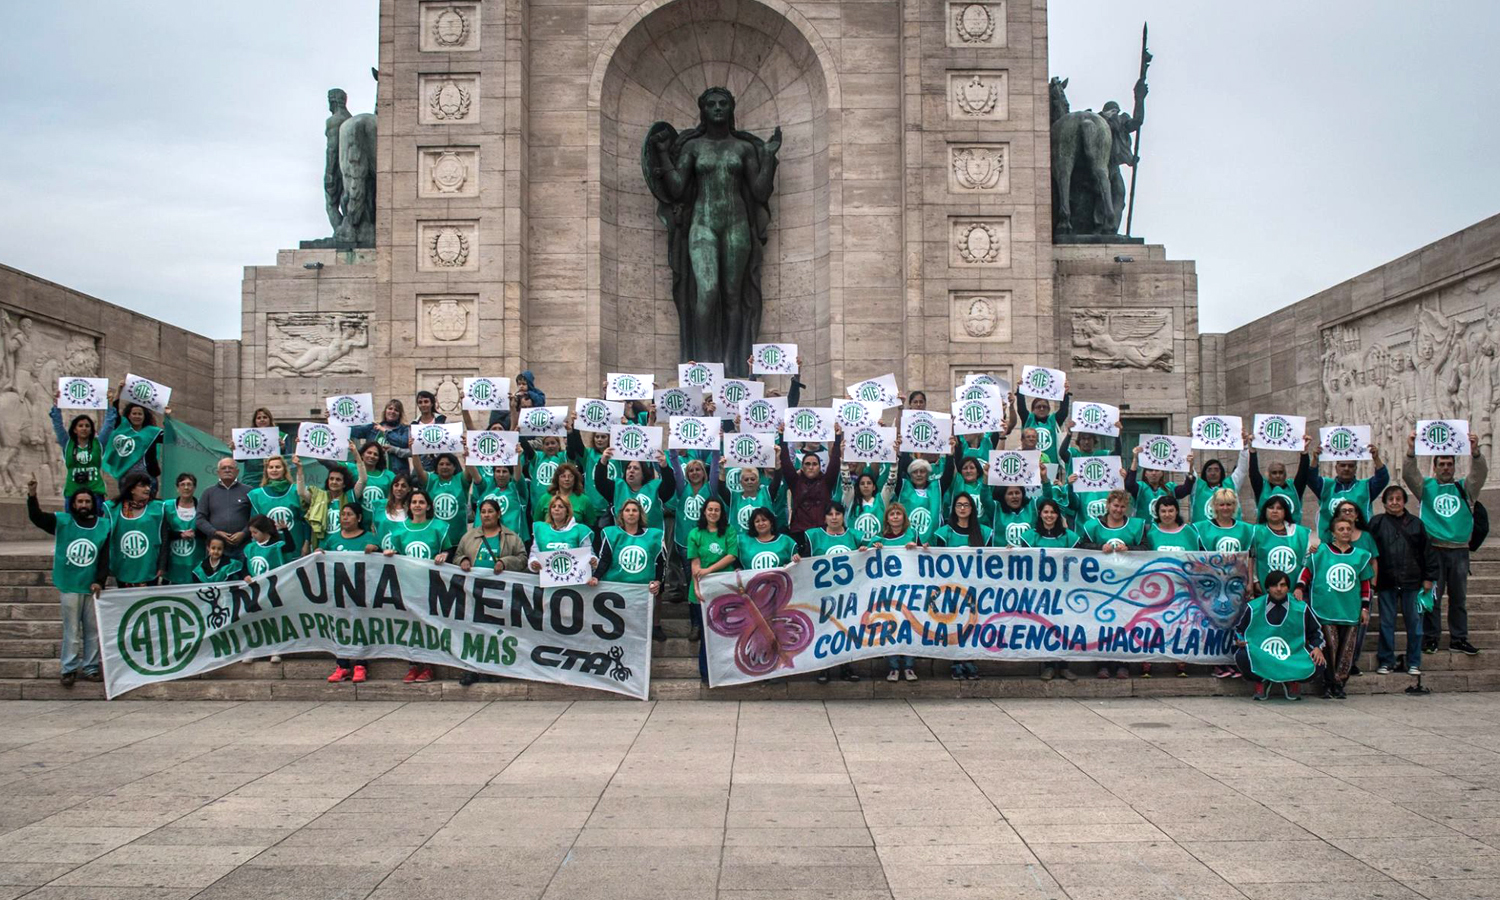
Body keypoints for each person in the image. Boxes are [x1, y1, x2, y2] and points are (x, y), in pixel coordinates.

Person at [1402, 432, 1487, 655]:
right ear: (1435, 466)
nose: (1446, 468)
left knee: (1459, 598)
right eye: (1442, 464)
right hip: (1434, 550)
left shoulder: (1464, 488)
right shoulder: (1427, 488)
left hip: (1459, 551)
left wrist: (1475, 452)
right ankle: (1431, 638)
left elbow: (1480, 474)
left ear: (1454, 466)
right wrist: (1411, 450)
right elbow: (1410, 475)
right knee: (1433, 597)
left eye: (1450, 464)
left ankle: (1459, 638)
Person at [27, 477, 108, 686]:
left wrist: (100, 580)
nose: (83, 505)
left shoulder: (103, 526)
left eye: (87, 502)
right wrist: (32, 495)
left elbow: (104, 557)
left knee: (92, 631)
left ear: (93, 504)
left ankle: (90, 667)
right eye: (80, 501)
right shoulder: (62, 522)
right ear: (73, 504)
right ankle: (69, 668)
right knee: (71, 630)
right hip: (69, 584)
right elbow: (36, 517)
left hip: (91, 587)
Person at [1295, 517, 1373, 699]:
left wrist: (1365, 608)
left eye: (1348, 528)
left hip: (1350, 610)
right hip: (1326, 610)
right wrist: (1300, 587)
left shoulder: (1360, 556)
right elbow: (1307, 571)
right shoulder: (1320, 551)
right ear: (1333, 533)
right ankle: (1327, 683)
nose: (1345, 532)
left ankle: (1339, 684)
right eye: (1341, 529)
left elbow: (1365, 584)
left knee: (1346, 651)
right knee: (1330, 647)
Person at [1368, 485, 1435, 675]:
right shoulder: (1377, 523)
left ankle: (1414, 661)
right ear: (1384, 502)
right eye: (1390, 499)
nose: (1394, 503)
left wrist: (1429, 578)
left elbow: (1427, 552)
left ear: (1404, 501)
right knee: (1386, 623)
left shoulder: (1416, 523)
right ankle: (1386, 661)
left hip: (1412, 581)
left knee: (1414, 624)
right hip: (1386, 580)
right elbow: (1368, 548)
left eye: (1398, 499)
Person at [1233, 570, 1326, 701]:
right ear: (1267, 588)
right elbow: (1239, 630)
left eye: (1283, 585)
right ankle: (1262, 680)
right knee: (1242, 655)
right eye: (1274, 585)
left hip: (1292, 655)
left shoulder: (1301, 608)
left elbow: (1316, 631)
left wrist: (1317, 647)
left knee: (1318, 662)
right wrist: (1239, 640)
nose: (1278, 589)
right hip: (1263, 656)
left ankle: (1292, 680)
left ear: (1288, 587)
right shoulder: (1253, 607)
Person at [1080, 488, 1142, 681]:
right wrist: (1099, 548)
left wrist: (1130, 548)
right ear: (1108, 505)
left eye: (1123, 506)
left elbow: (1147, 548)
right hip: (1100, 585)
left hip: (1126, 585)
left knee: (1126, 624)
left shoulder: (1135, 526)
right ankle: (1103, 663)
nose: (1118, 509)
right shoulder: (1093, 526)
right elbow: (1080, 547)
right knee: (1102, 625)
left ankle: (1123, 664)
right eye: (1115, 505)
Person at [932, 492, 989, 680]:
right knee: (955, 624)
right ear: (954, 509)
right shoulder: (944, 532)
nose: (962, 508)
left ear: (972, 509)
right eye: (959, 505)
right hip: (951, 588)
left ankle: (970, 660)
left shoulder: (984, 532)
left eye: (966, 505)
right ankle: (956, 662)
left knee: (973, 624)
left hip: (974, 587)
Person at [318, 501, 374, 684]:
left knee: (360, 628)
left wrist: (375, 550)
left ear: (359, 518)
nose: (345, 518)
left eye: (349, 514)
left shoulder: (370, 538)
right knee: (339, 628)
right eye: (343, 515)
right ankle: (342, 665)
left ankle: (360, 664)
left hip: (361, 592)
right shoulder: (332, 539)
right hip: (338, 593)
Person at [595, 498, 666, 639]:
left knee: (639, 632)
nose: (631, 513)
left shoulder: (654, 536)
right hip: (616, 590)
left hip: (641, 591)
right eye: (627, 510)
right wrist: (596, 576)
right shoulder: (612, 534)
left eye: (634, 510)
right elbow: (605, 560)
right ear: (622, 515)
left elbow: (661, 562)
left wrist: (658, 581)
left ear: (640, 514)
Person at [687, 497, 738, 682]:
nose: (713, 513)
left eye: (717, 510)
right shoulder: (695, 533)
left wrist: (709, 570)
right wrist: (697, 584)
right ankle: (706, 673)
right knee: (707, 635)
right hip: (702, 590)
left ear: (721, 513)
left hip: (724, 589)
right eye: (710, 509)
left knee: (727, 632)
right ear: (704, 511)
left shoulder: (729, 531)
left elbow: (732, 555)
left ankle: (729, 671)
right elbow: (694, 562)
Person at [872, 502, 920, 683]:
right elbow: (864, 553)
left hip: (909, 591)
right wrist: (871, 548)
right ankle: (893, 666)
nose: (895, 517)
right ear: (887, 518)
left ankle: (909, 666)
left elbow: (926, 554)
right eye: (891, 514)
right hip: (888, 592)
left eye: (898, 514)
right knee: (889, 627)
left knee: (909, 626)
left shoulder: (912, 535)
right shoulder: (880, 538)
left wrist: (916, 547)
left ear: (904, 517)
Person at [49, 385, 116, 506]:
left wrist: (110, 404)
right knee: (72, 524)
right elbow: (58, 425)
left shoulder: (98, 443)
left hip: (95, 493)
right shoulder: (67, 443)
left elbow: (109, 424)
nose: (84, 428)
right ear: (74, 429)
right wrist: (56, 403)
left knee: (96, 524)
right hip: (72, 493)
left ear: (91, 430)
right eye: (80, 426)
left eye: (87, 426)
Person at [1308, 441, 1388, 537]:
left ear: (1356, 468)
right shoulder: (1325, 486)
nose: (1346, 468)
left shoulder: (1366, 487)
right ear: (1336, 468)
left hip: (1359, 543)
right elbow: (1310, 478)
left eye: (1351, 466)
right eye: (1342, 465)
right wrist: (1315, 459)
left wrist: (1376, 458)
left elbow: (1382, 479)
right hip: (1331, 544)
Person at [780, 428, 843, 539]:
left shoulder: (826, 482)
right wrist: (782, 436)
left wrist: (837, 438)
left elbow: (834, 462)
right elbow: (785, 461)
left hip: (822, 533)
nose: (811, 467)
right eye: (807, 464)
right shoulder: (795, 482)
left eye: (814, 464)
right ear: (802, 467)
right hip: (799, 532)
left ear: (820, 467)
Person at [104, 473, 165, 587]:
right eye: (143, 485)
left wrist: (162, 565)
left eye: (148, 485)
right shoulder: (113, 509)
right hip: (123, 567)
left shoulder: (158, 508)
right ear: (131, 489)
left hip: (149, 568)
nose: (148, 488)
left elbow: (165, 538)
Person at [102, 393, 163, 493]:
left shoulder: (152, 433)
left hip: (148, 478)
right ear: (128, 415)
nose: (137, 416)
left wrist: (168, 418)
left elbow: (170, 437)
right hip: (127, 478)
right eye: (134, 413)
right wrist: (118, 391)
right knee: (128, 507)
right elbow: (115, 414)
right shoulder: (122, 429)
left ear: (144, 416)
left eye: (140, 414)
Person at [411, 452, 472, 550]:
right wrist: (414, 452)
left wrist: (468, 454)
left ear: (454, 467)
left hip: (457, 539)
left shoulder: (460, 479)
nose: (445, 467)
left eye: (448, 464)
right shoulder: (431, 480)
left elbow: (470, 472)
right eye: (441, 464)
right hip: (434, 538)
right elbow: (419, 470)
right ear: (436, 467)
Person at [250, 456, 309, 555]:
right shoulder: (257, 495)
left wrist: (307, 543)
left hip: (296, 545)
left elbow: (306, 521)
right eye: (271, 467)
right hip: (270, 551)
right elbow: (255, 527)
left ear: (285, 470)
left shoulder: (296, 491)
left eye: (278, 467)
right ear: (266, 471)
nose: (274, 470)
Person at [196, 457, 253, 558]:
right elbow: (200, 519)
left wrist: (244, 533)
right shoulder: (208, 493)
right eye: (224, 468)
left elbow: (255, 518)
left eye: (230, 467)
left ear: (237, 471)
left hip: (243, 546)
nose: (227, 470)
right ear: (218, 472)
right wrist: (215, 533)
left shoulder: (249, 491)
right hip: (217, 548)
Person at [1248, 438, 1312, 522]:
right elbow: (1253, 472)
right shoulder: (1262, 488)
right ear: (1268, 475)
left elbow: (1303, 473)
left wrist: (1304, 452)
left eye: (1280, 472)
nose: (1278, 475)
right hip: (1266, 533)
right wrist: (1252, 451)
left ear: (1285, 474)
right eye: (1274, 473)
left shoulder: (1294, 488)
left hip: (1290, 533)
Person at [1126, 446, 1193, 520]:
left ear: (1162, 473)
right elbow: (1129, 485)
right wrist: (1135, 459)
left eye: (1157, 470)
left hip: (1164, 529)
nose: (1154, 473)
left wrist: (1190, 468)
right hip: (1144, 529)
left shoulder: (1170, 488)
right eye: (1150, 470)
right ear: (1145, 473)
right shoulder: (1141, 487)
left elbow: (1186, 489)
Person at [160, 472, 203, 585]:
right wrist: (179, 535)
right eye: (182, 484)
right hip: (173, 561)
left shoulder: (202, 506)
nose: (186, 487)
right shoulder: (167, 506)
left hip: (195, 559)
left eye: (190, 484)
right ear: (177, 487)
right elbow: (161, 532)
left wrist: (196, 533)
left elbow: (207, 529)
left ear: (194, 487)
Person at [352, 399, 413, 477]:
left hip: (397, 474)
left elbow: (403, 442)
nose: (392, 411)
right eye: (390, 408)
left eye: (396, 410)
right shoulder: (373, 428)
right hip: (374, 473)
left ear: (400, 414)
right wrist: (333, 422)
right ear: (385, 411)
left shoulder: (404, 429)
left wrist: (384, 431)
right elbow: (354, 432)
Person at [1188, 445, 1249, 523]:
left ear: (1221, 472)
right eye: (1209, 470)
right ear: (1204, 473)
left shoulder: (1231, 484)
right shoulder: (1197, 487)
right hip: (1203, 534)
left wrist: (1245, 447)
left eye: (1216, 470)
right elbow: (1188, 470)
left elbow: (1242, 469)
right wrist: (1187, 443)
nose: (1213, 473)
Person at [1014, 384, 1070, 459]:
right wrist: (1020, 390)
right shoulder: (1029, 420)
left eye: (1044, 407)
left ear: (1049, 409)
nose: (1042, 409)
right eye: (1038, 407)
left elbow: (1063, 412)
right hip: (1030, 461)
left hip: (1051, 463)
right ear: (1033, 409)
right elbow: (1021, 409)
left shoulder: (1053, 421)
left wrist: (1065, 394)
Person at [239, 408, 293, 485]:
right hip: (251, 478)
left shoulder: (281, 436)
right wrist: (235, 449)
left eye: (265, 417)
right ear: (255, 421)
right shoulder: (246, 436)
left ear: (270, 419)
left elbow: (287, 458)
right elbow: (240, 460)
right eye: (259, 418)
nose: (262, 420)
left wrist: (282, 448)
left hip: (273, 478)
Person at [844, 467, 894, 545]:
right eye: (862, 483)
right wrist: (844, 466)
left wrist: (894, 467)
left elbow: (890, 483)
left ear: (874, 487)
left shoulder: (881, 500)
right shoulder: (852, 502)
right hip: (856, 549)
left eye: (869, 483)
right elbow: (846, 483)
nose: (866, 486)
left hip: (878, 547)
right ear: (858, 487)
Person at [355, 442, 398, 528]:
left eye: (375, 454)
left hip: (380, 524)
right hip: (357, 524)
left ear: (379, 458)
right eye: (369, 452)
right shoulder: (352, 469)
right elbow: (330, 464)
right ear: (362, 454)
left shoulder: (388, 475)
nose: (372, 456)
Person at [373, 474, 414, 552]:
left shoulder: (413, 509)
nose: (399, 488)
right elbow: (374, 531)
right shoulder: (380, 506)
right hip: (381, 555)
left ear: (409, 489)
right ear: (392, 487)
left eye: (403, 486)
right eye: (396, 485)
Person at [410, 390, 447, 473]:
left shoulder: (443, 420)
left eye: (426, 401)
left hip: (441, 464)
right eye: (420, 402)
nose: (423, 404)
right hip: (423, 465)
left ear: (432, 403)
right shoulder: (414, 425)